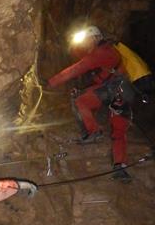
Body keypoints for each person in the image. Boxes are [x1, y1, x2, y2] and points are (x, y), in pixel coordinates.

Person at [47, 25, 135, 181]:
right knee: (82, 100)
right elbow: (100, 75)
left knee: (117, 129)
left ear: (95, 38)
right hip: (115, 90)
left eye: (87, 41)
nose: (85, 45)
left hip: (117, 92)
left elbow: (77, 68)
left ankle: (118, 164)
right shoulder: (105, 51)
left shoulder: (102, 52)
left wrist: (51, 82)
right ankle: (117, 163)